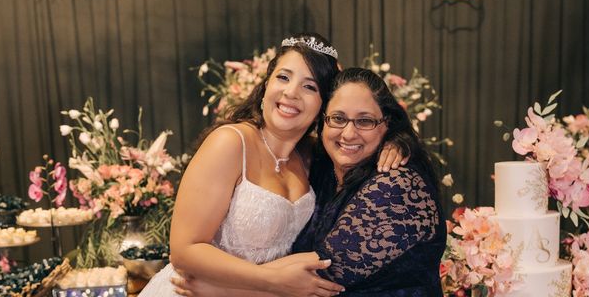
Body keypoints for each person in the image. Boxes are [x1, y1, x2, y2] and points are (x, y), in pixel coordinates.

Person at [141, 34, 405, 297]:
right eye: (283, 77)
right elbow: (184, 250)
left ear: (323, 104)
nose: (291, 92)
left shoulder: (311, 155)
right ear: (267, 83)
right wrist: (273, 280)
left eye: (309, 87)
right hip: (195, 291)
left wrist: (396, 142)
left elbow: (361, 137)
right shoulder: (231, 143)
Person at [173, 67, 445, 296]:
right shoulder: (321, 168)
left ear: (387, 124)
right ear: (321, 121)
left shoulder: (396, 186)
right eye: (338, 118)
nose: (349, 133)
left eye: (365, 121)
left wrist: (218, 289)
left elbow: (318, 278)